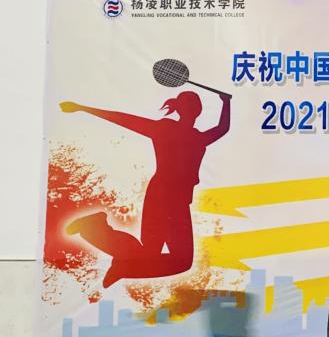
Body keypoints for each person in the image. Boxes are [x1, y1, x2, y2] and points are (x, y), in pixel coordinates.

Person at [60, 91, 231, 287]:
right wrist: (83, 108)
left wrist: (226, 103)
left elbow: (222, 128)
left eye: (195, 105)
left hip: (180, 201)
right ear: (181, 108)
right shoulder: (164, 128)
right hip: (161, 196)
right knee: (153, 254)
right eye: (189, 104)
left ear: (198, 110)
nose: (192, 108)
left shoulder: (198, 137)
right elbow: (125, 120)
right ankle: (95, 231)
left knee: (180, 261)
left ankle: (121, 263)